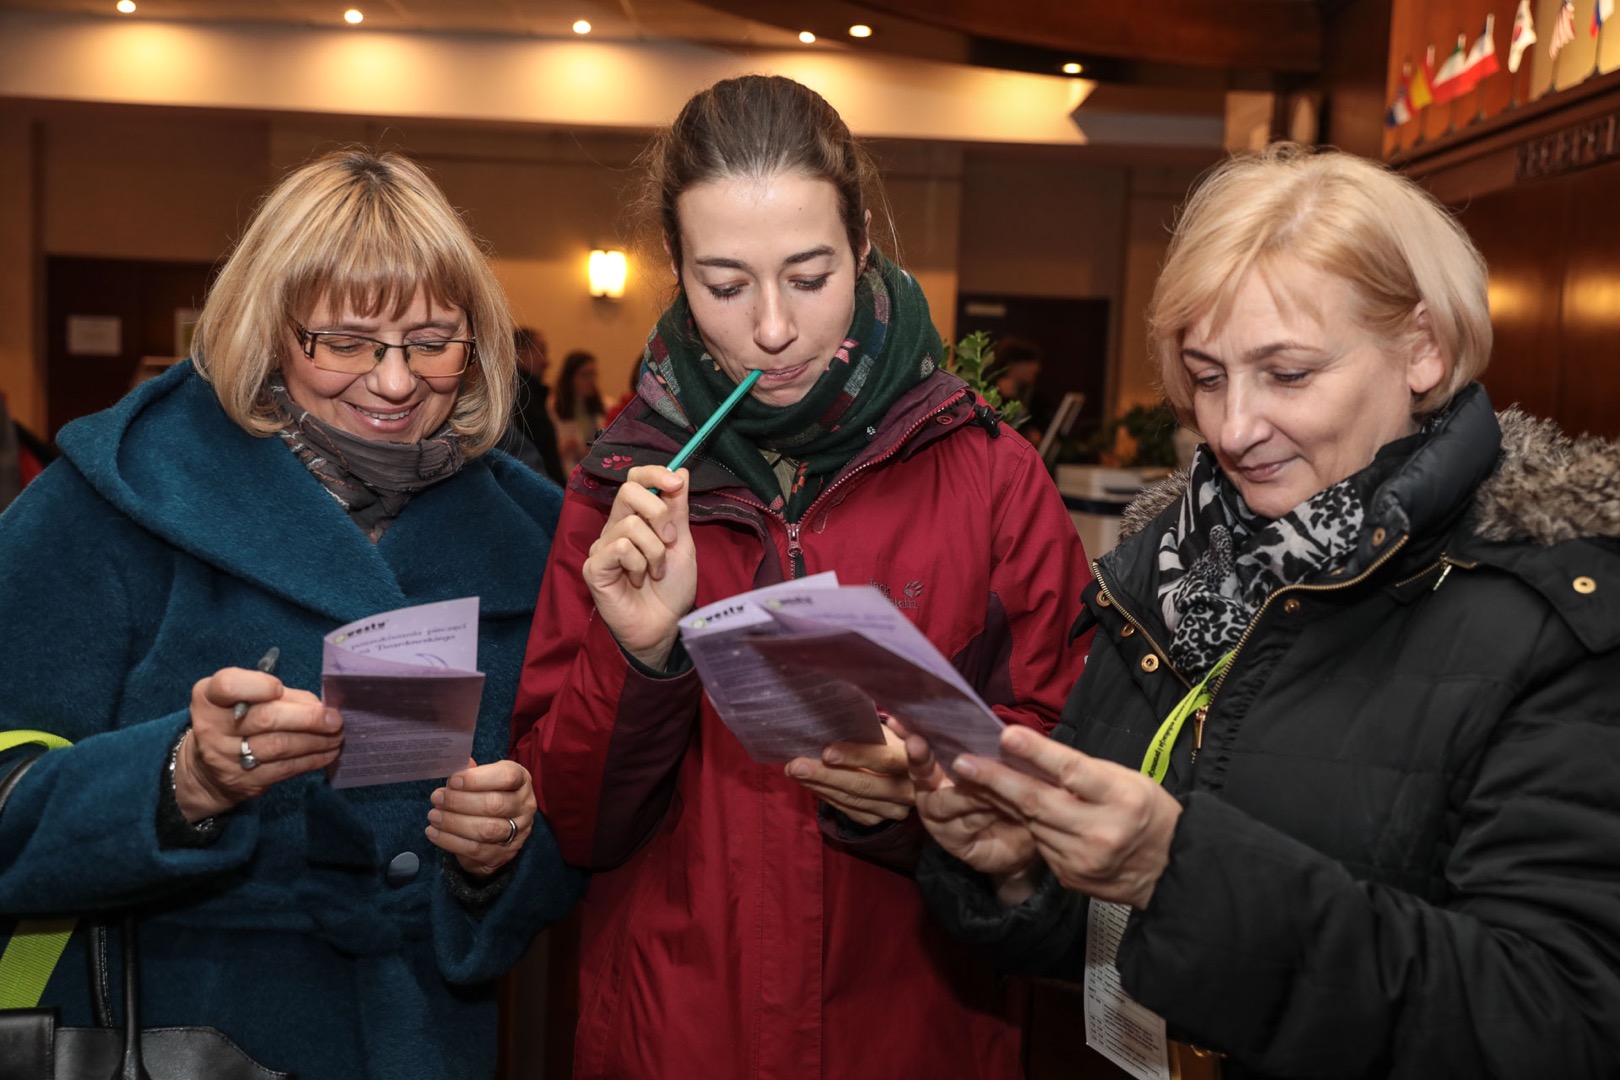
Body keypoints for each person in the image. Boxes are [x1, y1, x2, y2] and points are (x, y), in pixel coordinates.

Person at [908, 143, 1620, 1079]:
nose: (1232, 428)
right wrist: (1021, 870)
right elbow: (1108, 952)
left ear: (1423, 350)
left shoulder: (1551, 621)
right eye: (1208, 376)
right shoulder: (1168, 572)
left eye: (1287, 374)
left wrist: (1180, 873)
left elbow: (1556, 1020)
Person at [510, 74, 1090, 1078]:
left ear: (863, 251)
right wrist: (642, 658)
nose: (771, 330)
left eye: (810, 276)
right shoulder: (624, 489)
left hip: (916, 1033)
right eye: (726, 285)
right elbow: (572, 822)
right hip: (672, 1033)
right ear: (677, 272)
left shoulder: (991, 472)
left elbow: (1078, 763)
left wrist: (929, 797)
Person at [0, 148, 583, 1079]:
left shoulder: (541, 538)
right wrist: (177, 782)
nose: (394, 384)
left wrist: (501, 852)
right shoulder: (114, 499)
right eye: (346, 342)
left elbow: (579, 841)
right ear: (270, 331)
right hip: (167, 1030)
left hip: (423, 1038)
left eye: (432, 341)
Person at [504, 325, 568, 484]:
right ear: (521, 353)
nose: (547, 361)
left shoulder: (529, 392)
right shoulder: (519, 393)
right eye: (542, 351)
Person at [552, 348, 605, 476]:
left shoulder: (604, 406)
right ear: (570, 379)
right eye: (585, 375)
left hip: (596, 472)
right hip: (567, 474)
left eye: (593, 374)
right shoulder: (553, 407)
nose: (591, 380)